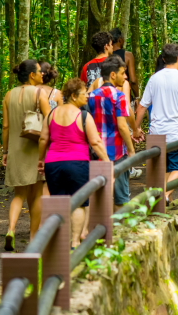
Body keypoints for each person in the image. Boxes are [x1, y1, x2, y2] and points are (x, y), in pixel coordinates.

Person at [38, 78, 108, 247]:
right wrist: (107, 161)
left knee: (58, 202)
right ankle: (75, 241)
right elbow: (96, 142)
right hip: (77, 163)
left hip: (53, 163)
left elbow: (43, 139)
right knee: (79, 202)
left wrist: (41, 159)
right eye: (84, 94)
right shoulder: (83, 115)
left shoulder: (51, 114)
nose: (87, 96)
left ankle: (59, 244)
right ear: (74, 96)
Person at [134, 43, 178, 203]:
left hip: (157, 133)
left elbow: (142, 106)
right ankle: (165, 195)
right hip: (177, 133)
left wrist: (136, 128)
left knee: (163, 169)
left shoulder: (154, 79)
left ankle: (163, 201)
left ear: (163, 59)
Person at [2, 59, 52, 251]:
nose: (42, 74)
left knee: (19, 194)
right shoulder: (39, 93)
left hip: (15, 149)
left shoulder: (9, 94)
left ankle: (11, 229)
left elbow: (6, 126)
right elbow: (50, 120)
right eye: (39, 71)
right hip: (35, 148)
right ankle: (33, 238)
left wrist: (5, 151)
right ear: (32, 75)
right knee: (38, 193)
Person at [88, 55, 138, 211]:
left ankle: (101, 224)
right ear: (113, 75)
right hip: (117, 151)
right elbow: (122, 126)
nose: (126, 76)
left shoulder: (92, 95)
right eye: (123, 73)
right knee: (121, 197)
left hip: (97, 151)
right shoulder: (119, 95)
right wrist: (131, 150)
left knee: (99, 195)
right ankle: (119, 225)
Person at [109, 28, 139, 99]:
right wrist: (137, 97)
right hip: (124, 95)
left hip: (109, 95)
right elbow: (133, 80)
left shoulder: (106, 55)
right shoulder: (128, 55)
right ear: (120, 40)